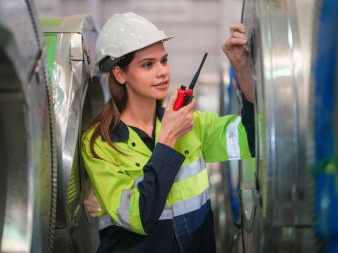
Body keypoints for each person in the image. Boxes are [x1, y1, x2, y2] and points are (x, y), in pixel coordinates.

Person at [81, 12, 254, 253]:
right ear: (120, 74)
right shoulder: (100, 143)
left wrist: (243, 68)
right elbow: (140, 217)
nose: (162, 71)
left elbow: (252, 138)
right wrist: (169, 139)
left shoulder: (191, 123)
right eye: (147, 65)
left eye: (164, 60)